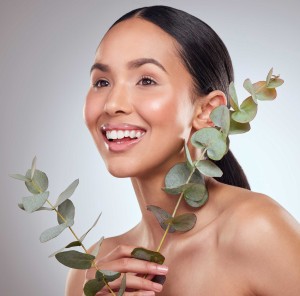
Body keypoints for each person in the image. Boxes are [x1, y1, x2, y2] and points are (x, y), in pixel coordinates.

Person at [66, 5, 300, 296]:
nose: (112, 103)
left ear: (207, 111)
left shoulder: (256, 230)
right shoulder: (94, 270)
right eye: (101, 82)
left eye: (146, 80)